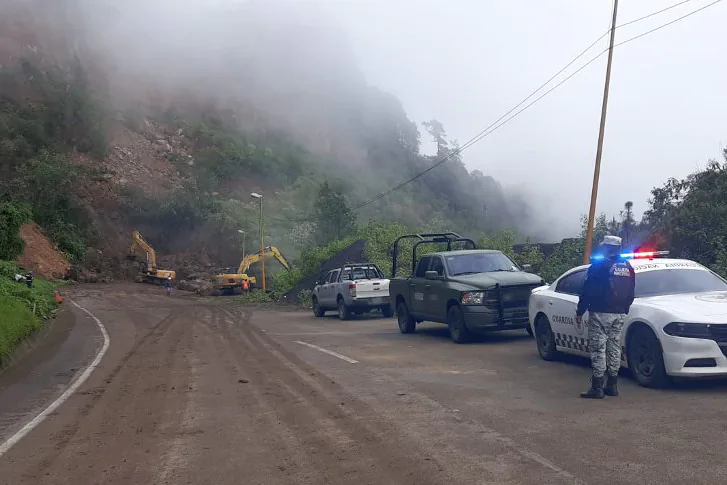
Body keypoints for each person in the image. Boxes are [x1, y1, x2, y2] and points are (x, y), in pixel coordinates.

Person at [576, 235, 635, 399]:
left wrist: (580, 311)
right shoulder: (627, 266)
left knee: (598, 348)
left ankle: (597, 387)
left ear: (607, 247)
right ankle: (612, 386)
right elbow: (631, 292)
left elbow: (587, 290)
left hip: (600, 312)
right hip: (619, 313)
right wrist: (624, 308)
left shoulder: (599, 266)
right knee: (614, 347)